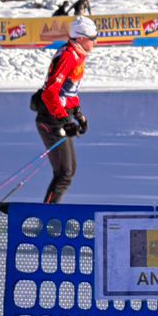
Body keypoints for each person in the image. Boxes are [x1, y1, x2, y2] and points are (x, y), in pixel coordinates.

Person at [31, 16, 96, 203]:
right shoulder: (68, 56)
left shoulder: (76, 55)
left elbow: (68, 91)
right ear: (81, 38)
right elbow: (50, 93)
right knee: (64, 173)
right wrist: (63, 120)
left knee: (69, 170)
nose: (95, 42)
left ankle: (50, 214)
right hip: (51, 118)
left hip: (59, 116)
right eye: (92, 38)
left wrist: (77, 114)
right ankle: (47, 216)